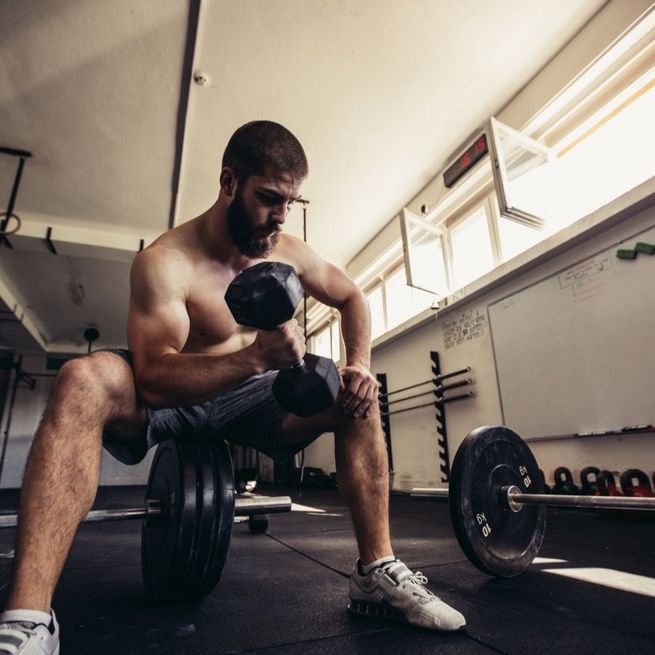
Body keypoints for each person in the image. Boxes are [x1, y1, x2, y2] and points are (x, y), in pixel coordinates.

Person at [0, 121, 465, 653]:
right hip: (173, 396)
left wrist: (358, 364)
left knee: (353, 397)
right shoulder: (167, 261)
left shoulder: (288, 248)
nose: (280, 215)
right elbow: (152, 379)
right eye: (269, 198)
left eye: (290, 201)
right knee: (81, 377)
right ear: (229, 182)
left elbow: (352, 297)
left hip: (254, 399)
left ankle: (376, 573)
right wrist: (254, 358)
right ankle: (29, 619)